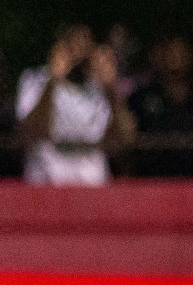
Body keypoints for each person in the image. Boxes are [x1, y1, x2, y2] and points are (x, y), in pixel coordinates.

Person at [16, 24, 136, 185]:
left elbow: (126, 137)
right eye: (72, 42)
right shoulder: (35, 79)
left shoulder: (101, 88)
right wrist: (53, 81)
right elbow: (31, 131)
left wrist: (111, 89)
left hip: (91, 187)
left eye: (85, 43)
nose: (78, 50)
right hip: (46, 183)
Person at [130, 36, 193, 177]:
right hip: (151, 179)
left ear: (189, 57)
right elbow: (130, 134)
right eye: (170, 52)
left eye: (179, 52)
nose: (174, 58)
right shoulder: (143, 96)